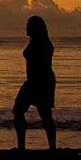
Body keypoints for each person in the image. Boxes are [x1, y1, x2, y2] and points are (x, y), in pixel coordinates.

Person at [13, 15, 57, 151]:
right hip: (34, 81)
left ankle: (51, 147)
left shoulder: (43, 43)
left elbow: (43, 64)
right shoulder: (36, 41)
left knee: (45, 115)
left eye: (29, 25)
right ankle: (23, 146)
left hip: (40, 81)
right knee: (19, 111)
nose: (26, 28)